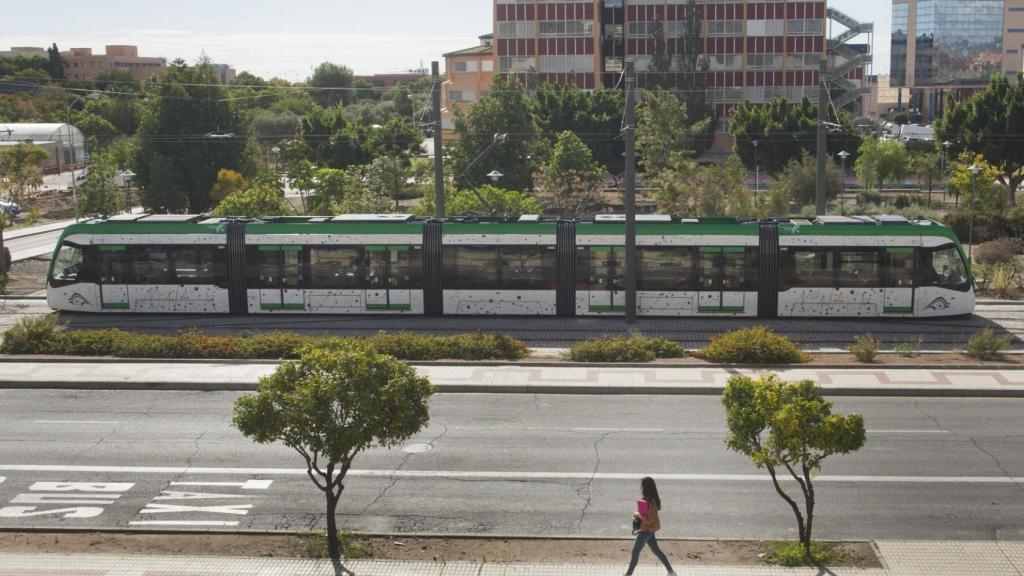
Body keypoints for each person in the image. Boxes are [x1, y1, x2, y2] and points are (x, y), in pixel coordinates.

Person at [624, 476, 676, 576]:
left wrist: (637, 514)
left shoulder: (650, 502)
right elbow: (644, 514)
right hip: (650, 531)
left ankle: (627, 574)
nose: (641, 488)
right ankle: (671, 572)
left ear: (646, 487)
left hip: (645, 531)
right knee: (657, 551)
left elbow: (648, 519)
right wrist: (638, 513)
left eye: (642, 486)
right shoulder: (650, 500)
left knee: (635, 553)